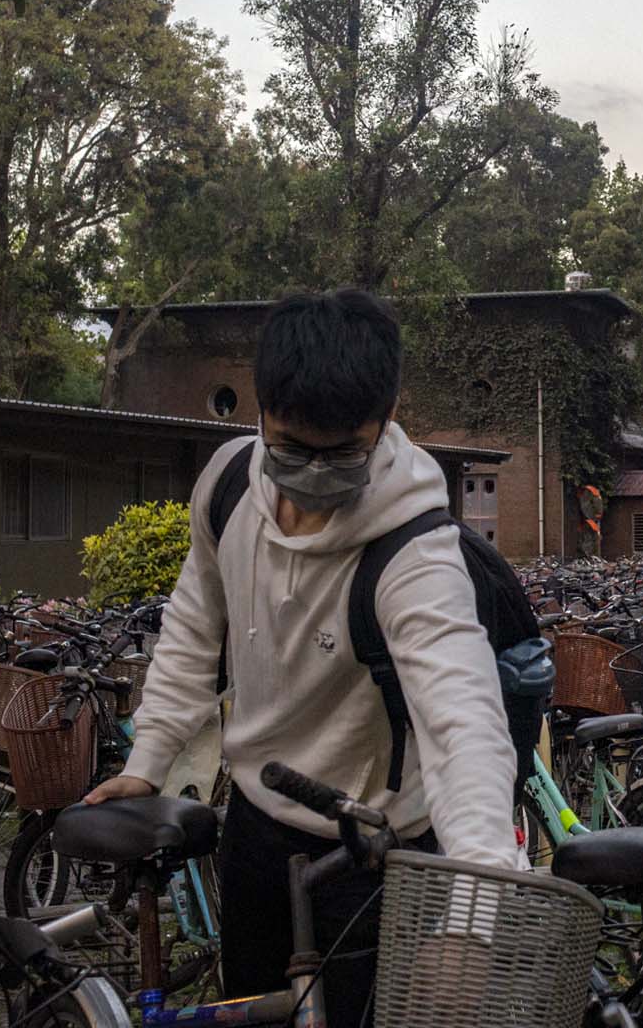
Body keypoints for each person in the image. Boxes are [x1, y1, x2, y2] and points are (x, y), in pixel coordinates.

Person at [85, 289, 519, 1027]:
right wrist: (147, 760)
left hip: (371, 853)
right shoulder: (226, 485)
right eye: (291, 446)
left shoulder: (414, 552)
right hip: (253, 828)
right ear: (260, 411)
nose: (314, 472)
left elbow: (464, 722)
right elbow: (194, 625)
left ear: (385, 420)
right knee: (250, 1010)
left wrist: (471, 919)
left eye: (342, 451)